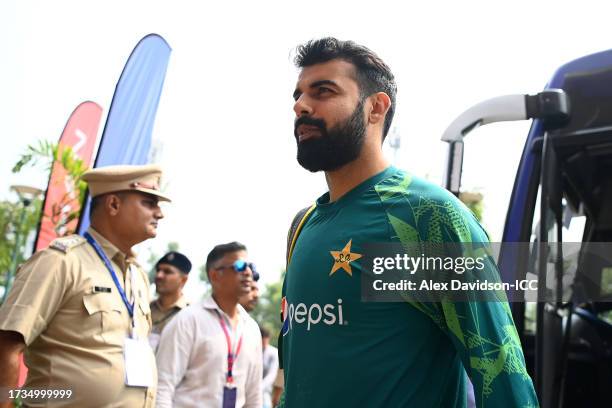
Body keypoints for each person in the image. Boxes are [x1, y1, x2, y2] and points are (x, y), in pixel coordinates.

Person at [280, 37, 539, 407]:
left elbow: (501, 375)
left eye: (323, 91)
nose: (301, 106)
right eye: (298, 94)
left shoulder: (428, 217)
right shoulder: (302, 226)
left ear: (375, 107)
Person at [0, 164, 169, 407]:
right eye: (149, 203)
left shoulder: (138, 275)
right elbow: (6, 347)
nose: (159, 213)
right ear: (113, 205)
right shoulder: (60, 261)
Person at [155, 242, 262, 407]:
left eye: (250, 266)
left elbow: (254, 396)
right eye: (239, 266)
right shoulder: (188, 321)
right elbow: (163, 386)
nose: (248, 272)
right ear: (214, 275)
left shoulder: (252, 328)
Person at [149, 251, 192, 350]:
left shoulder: (190, 314)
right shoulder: (144, 308)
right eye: (158, 270)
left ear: (183, 280)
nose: (159, 275)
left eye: (167, 272)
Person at [260, 326, 278, 408]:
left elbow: (272, 375)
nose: (264, 341)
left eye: (265, 338)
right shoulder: (253, 350)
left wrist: (259, 388)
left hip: (265, 392)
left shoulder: (273, 353)